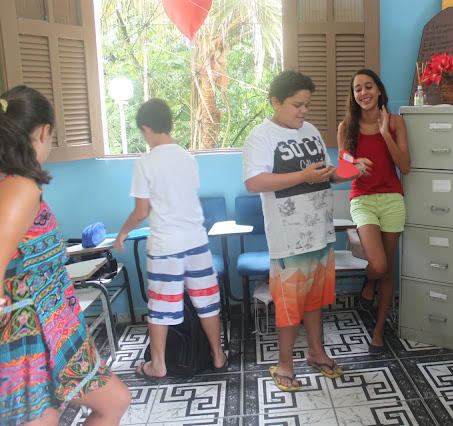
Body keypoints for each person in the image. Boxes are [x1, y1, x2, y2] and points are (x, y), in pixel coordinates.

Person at [0, 85, 131, 425]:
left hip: (53, 327)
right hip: (27, 335)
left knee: (114, 401)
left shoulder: (16, 184)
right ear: (44, 132)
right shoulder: (19, 187)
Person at [243, 70, 358, 391]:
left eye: (307, 105)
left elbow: (326, 174)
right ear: (276, 102)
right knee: (290, 304)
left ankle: (316, 352)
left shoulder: (310, 131)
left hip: (320, 231)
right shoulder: (261, 137)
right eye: (297, 105)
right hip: (289, 238)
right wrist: (302, 176)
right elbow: (254, 182)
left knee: (315, 299)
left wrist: (350, 172)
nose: (304, 111)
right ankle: (284, 363)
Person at [114, 98, 226, 382]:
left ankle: (158, 364)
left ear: (146, 129)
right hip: (196, 241)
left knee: (161, 306)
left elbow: (141, 212)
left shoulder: (145, 163)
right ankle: (218, 355)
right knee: (206, 300)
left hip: (166, 246)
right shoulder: (188, 159)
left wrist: (122, 233)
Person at [337, 69, 411, 356]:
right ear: (353, 95)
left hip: (392, 199)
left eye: (368, 87)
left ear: (379, 91)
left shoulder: (396, 122)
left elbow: (405, 166)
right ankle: (369, 282)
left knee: (388, 270)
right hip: (363, 200)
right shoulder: (346, 127)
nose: (363, 93)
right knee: (378, 267)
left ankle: (379, 332)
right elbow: (343, 172)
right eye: (358, 89)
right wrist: (354, 168)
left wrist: (385, 134)